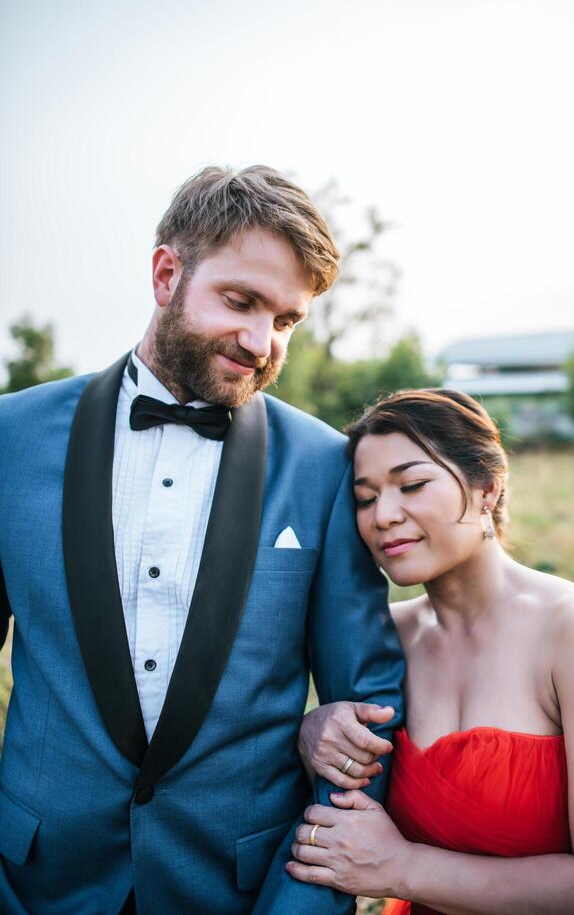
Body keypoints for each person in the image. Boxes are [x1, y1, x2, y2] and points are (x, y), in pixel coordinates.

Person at [0, 165, 405, 914]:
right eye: (240, 301)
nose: (260, 342)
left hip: (242, 890)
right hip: (33, 880)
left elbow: (367, 707)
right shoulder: (10, 437)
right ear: (165, 274)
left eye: (285, 320)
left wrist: (303, 902)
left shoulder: (323, 468)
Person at [290, 389, 574, 913]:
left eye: (411, 485)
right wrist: (311, 733)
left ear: (488, 486)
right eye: (365, 498)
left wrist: (402, 869)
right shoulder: (383, 640)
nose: (384, 516)